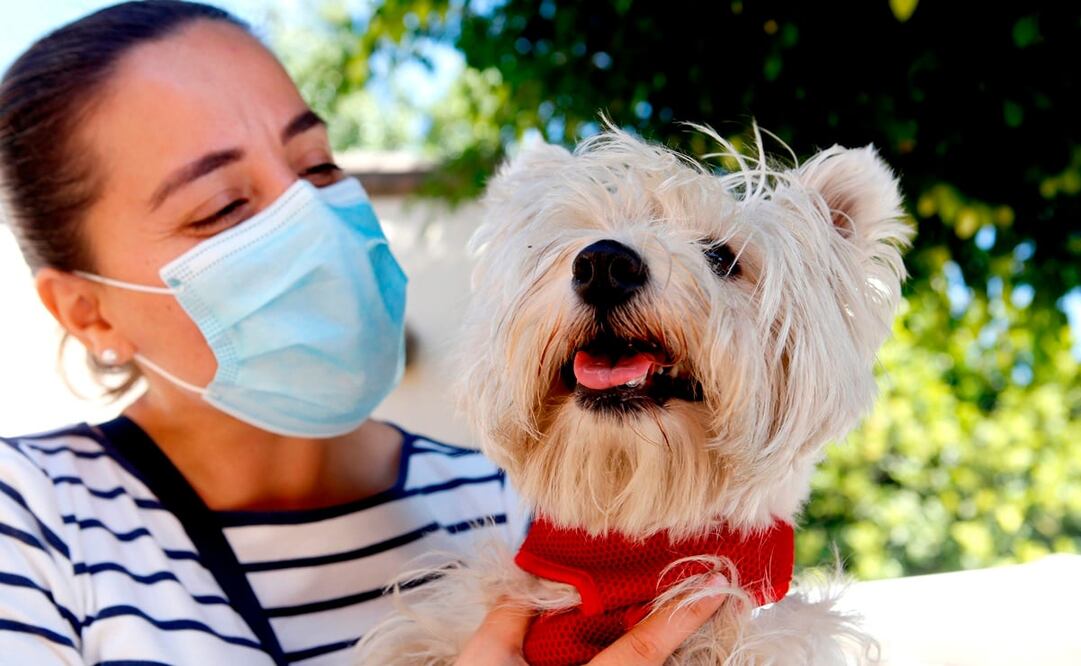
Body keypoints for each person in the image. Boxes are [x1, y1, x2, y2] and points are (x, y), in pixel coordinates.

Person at [0, 2, 725, 664]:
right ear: (86, 311)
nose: (311, 220)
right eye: (220, 206)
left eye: (317, 164)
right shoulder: (31, 523)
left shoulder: (534, 512)